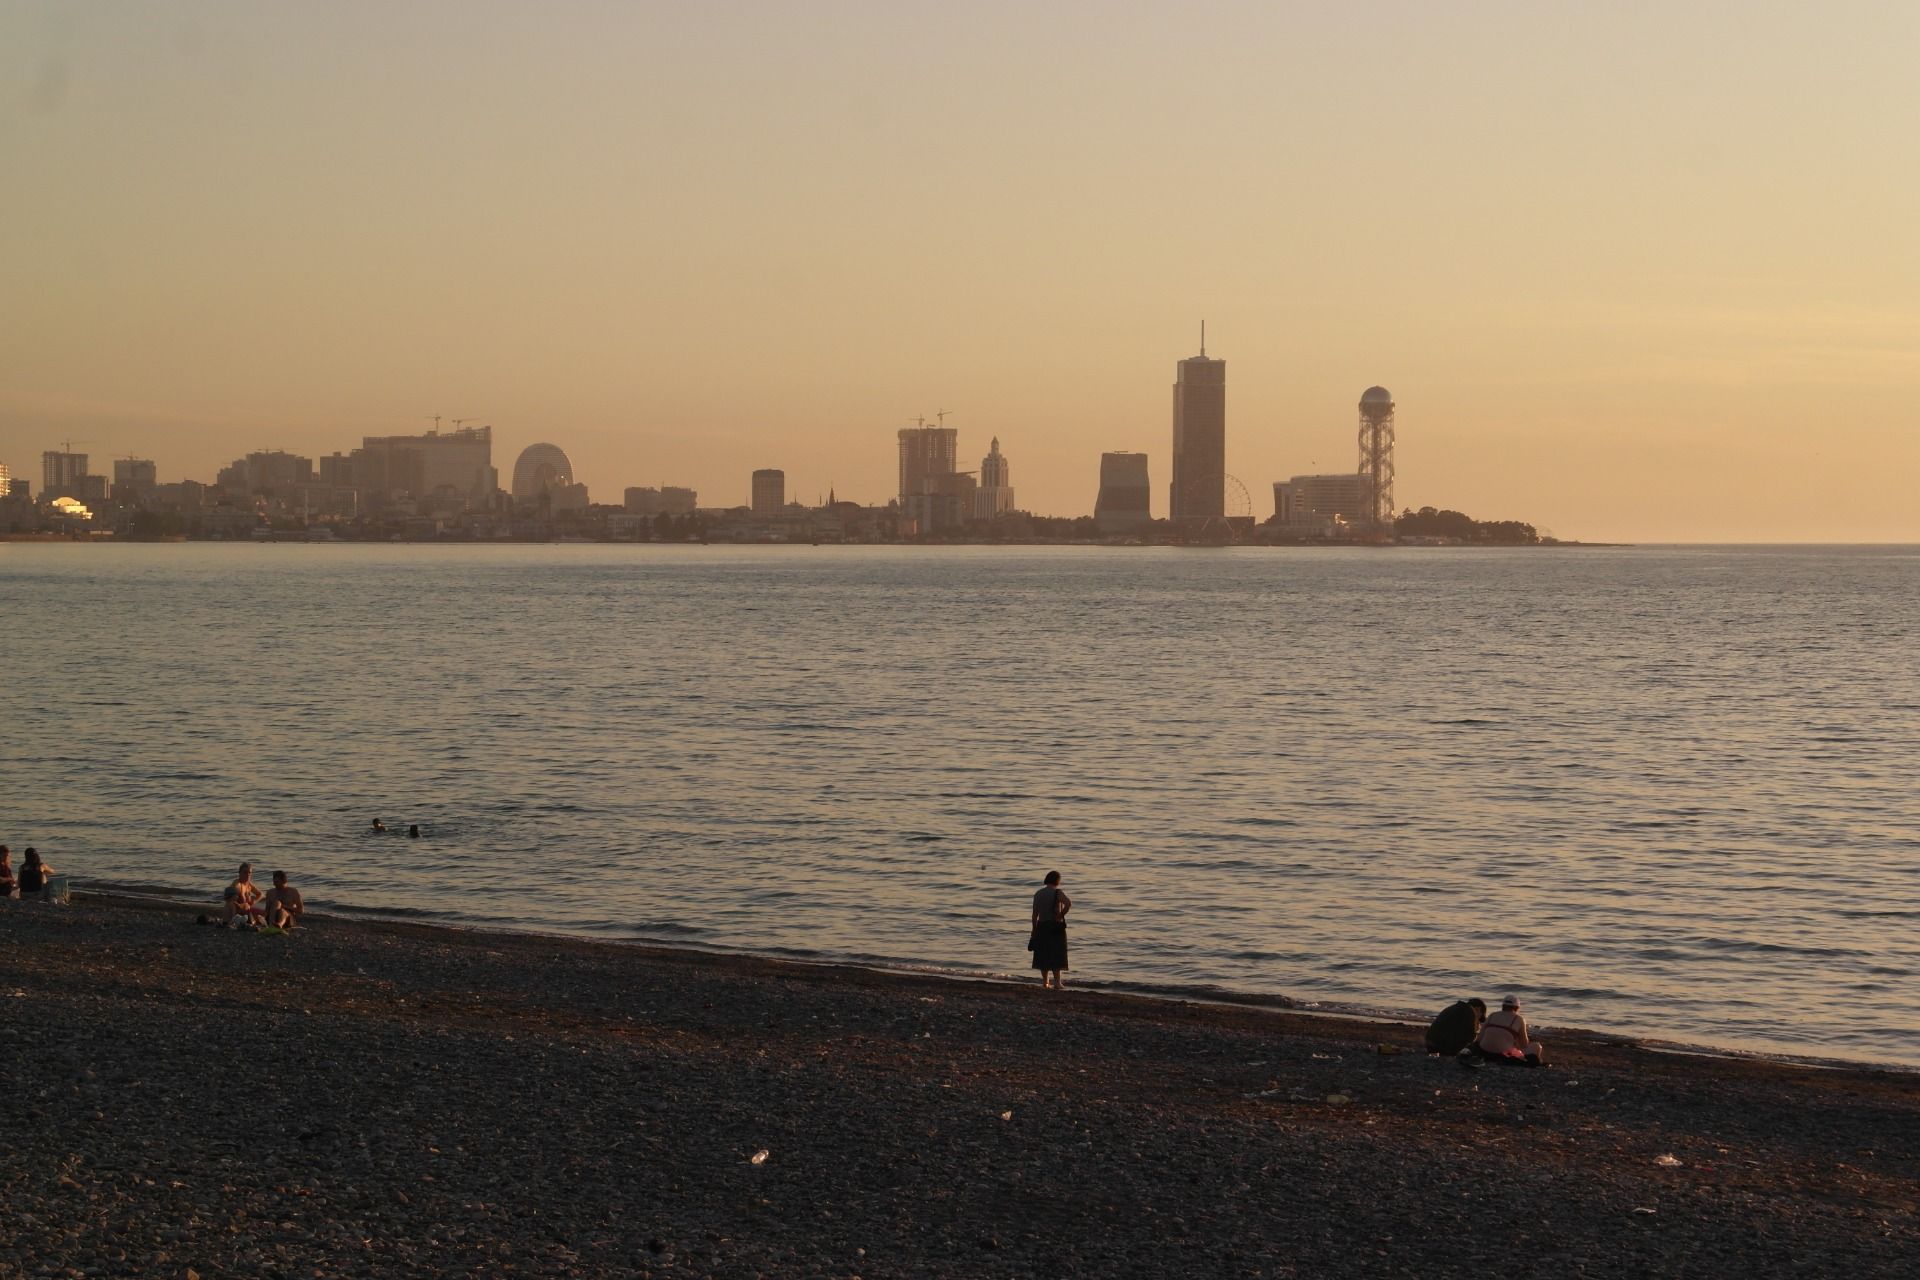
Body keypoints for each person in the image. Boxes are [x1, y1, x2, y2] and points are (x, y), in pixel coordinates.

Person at [1475, 994, 1547, 1066]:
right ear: (1517, 1008)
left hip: (1484, 1052)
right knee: (1537, 1046)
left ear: (1503, 1006)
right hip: (1503, 1056)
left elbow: (1479, 1039)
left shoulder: (1492, 1015)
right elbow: (1524, 1044)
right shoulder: (1518, 1019)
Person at [1030, 870, 1072, 990]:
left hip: (1042, 926)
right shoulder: (1057, 893)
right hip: (1055, 927)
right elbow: (1068, 904)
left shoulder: (1038, 893)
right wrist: (1060, 914)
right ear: (1057, 881)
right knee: (1056, 954)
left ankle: (1045, 982)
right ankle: (1057, 983)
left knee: (1043, 954)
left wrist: (1034, 930)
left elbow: (1034, 915)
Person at [218, 862, 266, 929]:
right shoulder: (237, 884)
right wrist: (243, 905)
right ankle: (235, 922)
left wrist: (254, 901)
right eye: (245, 872)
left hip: (247, 911)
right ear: (239, 873)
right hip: (239, 913)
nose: (248, 874)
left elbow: (261, 894)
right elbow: (229, 899)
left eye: (249, 872)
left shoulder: (248, 884)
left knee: (265, 906)